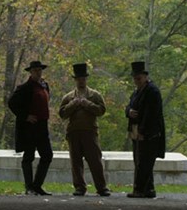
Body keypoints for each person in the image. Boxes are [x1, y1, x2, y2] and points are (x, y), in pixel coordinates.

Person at [59, 63, 111, 197]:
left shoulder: (94, 95)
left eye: (83, 78)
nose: (81, 81)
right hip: (74, 133)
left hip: (90, 132)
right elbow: (62, 114)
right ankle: (79, 187)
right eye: (78, 79)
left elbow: (101, 111)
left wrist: (87, 104)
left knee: (95, 161)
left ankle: (101, 187)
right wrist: (74, 104)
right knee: (76, 162)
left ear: (86, 79)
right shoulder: (68, 97)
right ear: (75, 80)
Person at [8, 60, 54, 196]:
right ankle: (29, 187)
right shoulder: (25, 87)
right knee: (29, 156)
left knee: (47, 155)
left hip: (42, 126)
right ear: (31, 72)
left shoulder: (45, 86)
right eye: (35, 71)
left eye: (39, 70)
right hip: (29, 127)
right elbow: (12, 103)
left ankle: (37, 185)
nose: (38, 73)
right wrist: (25, 116)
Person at [124, 61, 166, 198]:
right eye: (135, 78)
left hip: (148, 133)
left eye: (139, 78)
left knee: (144, 162)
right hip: (137, 131)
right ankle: (148, 189)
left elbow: (152, 115)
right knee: (139, 160)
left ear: (145, 77)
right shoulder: (137, 91)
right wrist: (129, 111)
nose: (137, 81)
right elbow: (129, 106)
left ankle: (140, 189)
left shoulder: (152, 91)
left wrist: (143, 131)